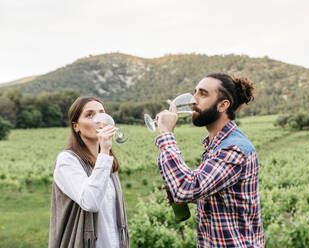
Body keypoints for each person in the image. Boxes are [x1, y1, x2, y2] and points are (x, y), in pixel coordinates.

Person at [155, 73, 264, 247]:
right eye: (195, 92)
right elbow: (224, 196)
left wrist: (166, 133)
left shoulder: (233, 149)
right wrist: (193, 198)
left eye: (203, 94)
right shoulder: (216, 145)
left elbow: (186, 187)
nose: (193, 100)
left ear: (223, 105)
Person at [48, 96, 129, 248]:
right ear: (76, 126)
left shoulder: (106, 164)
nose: (99, 119)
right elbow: (90, 202)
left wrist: (104, 154)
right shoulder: (67, 161)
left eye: (102, 113)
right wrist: (104, 150)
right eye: (90, 115)